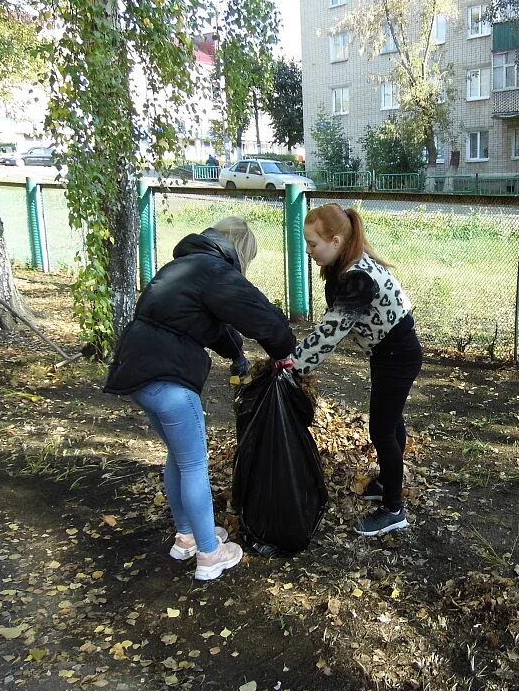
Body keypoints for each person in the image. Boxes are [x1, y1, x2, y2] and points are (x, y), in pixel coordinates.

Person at [104, 217, 295, 581]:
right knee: (194, 464)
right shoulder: (214, 271)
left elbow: (211, 326)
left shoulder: (182, 266)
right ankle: (210, 553)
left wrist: (237, 353)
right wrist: (284, 347)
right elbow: (259, 314)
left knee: (178, 457)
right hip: (170, 382)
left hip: (137, 375)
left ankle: (187, 536)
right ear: (238, 250)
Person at [288, 204, 422, 537]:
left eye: (313, 244)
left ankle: (393, 510)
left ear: (335, 241)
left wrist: (293, 366)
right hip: (390, 352)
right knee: (391, 423)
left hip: (398, 355)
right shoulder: (350, 263)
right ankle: (387, 481)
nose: (308, 251)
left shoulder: (358, 277)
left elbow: (332, 330)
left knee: (382, 429)